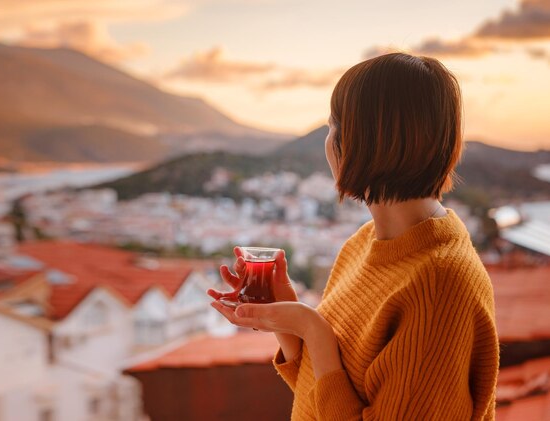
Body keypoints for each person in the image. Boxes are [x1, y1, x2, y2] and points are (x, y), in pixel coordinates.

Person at [208, 52, 499, 420]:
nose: (328, 141)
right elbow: (324, 398)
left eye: (333, 125)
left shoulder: (440, 284)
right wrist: (288, 322)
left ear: (362, 140)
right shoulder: (364, 244)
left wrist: (312, 328)